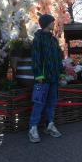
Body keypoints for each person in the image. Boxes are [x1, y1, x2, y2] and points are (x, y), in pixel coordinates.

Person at [28, 14, 65, 143]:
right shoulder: (38, 39)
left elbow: (58, 58)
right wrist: (38, 75)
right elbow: (36, 58)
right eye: (52, 22)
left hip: (54, 77)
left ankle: (49, 125)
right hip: (43, 78)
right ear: (46, 23)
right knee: (39, 103)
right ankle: (32, 128)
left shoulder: (54, 40)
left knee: (52, 102)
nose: (54, 23)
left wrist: (60, 73)